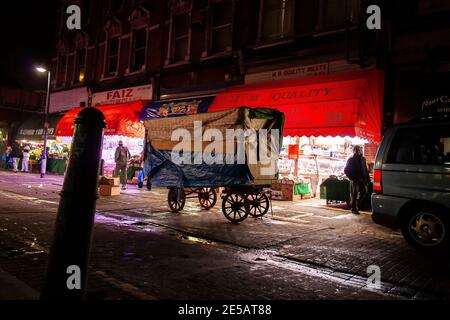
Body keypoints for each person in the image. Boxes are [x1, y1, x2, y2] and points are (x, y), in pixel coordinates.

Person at [344, 145, 370, 214]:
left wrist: (367, 179)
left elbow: (366, 170)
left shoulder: (363, 159)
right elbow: (346, 170)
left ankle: (355, 204)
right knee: (354, 194)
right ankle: (354, 208)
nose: (358, 151)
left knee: (364, 191)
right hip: (355, 180)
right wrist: (352, 178)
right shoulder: (351, 159)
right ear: (354, 151)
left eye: (359, 150)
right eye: (356, 150)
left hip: (362, 179)